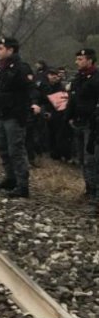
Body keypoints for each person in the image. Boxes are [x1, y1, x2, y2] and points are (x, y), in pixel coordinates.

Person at [0, 37, 37, 198]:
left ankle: (22, 185)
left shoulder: (21, 68)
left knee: (15, 150)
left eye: (1, 48)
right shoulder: (1, 68)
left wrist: (34, 104)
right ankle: (10, 178)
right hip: (1, 114)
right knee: (3, 148)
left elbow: (31, 89)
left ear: (11, 50)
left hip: (14, 116)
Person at [66, 48, 99, 204]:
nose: (77, 62)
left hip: (92, 124)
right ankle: (89, 188)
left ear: (90, 60)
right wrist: (69, 117)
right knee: (81, 158)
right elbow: (72, 100)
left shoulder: (96, 78)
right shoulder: (78, 78)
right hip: (78, 121)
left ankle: (96, 191)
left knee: (91, 158)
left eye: (80, 59)